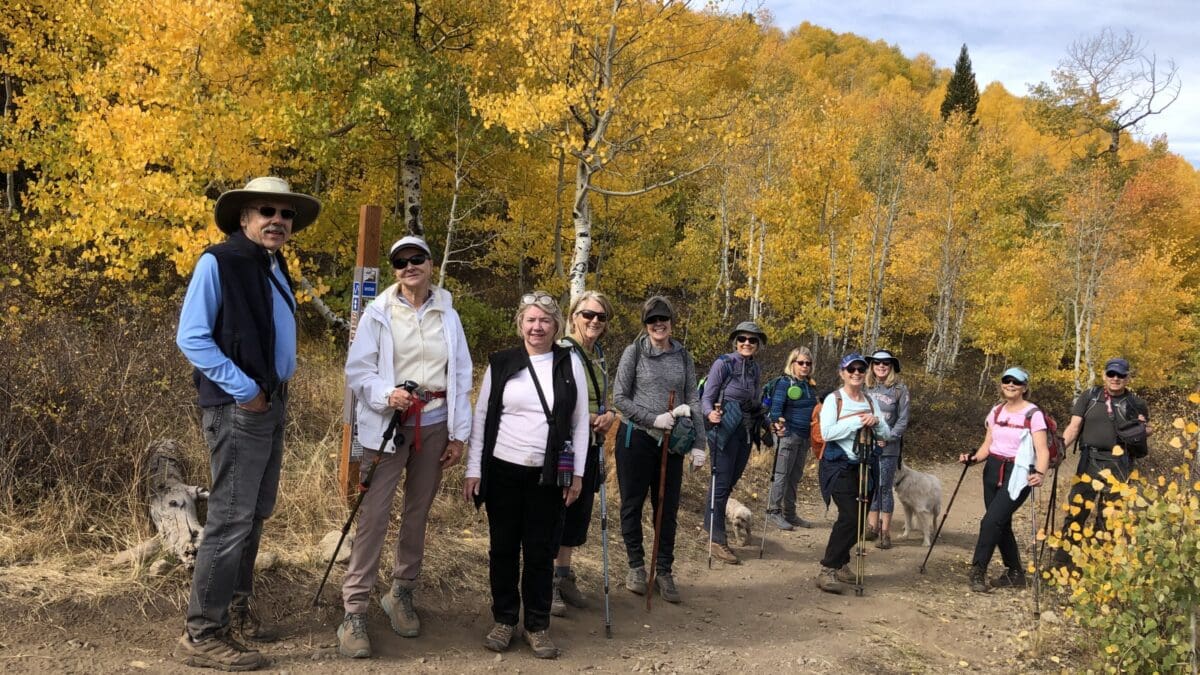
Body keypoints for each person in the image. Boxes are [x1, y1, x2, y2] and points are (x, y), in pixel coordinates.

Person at [174, 177, 321, 671]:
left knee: (253, 513)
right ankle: (202, 633)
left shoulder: (273, 265)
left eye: (286, 213)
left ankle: (235, 613)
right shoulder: (220, 261)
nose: (277, 220)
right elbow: (192, 338)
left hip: (269, 403)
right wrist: (247, 391)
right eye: (266, 210)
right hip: (241, 407)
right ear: (244, 218)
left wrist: (271, 391)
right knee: (230, 519)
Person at [336, 236, 473, 659]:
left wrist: (459, 434)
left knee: (417, 513)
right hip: (387, 425)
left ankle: (401, 592)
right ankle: (354, 608)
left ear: (431, 264)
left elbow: (462, 372)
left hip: (433, 424)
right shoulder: (379, 313)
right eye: (401, 261)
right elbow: (358, 371)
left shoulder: (448, 312)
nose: (409, 266)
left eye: (417, 259)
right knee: (374, 515)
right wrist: (385, 393)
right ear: (394, 269)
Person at [463, 291, 589, 659]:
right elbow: (482, 417)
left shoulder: (569, 365)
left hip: (547, 476)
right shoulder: (502, 363)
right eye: (531, 320)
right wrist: (474, 470)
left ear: (556, 327)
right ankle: (504, 620)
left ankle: (537, 625)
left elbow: (580, 424)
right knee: (502, 549)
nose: (537, 327)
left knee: (540, 551)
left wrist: (577, 474)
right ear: (520, 324)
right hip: (502, 469)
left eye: (545, 321)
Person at [612, 295, 706, 602]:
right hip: (636, 437)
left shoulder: (683, 356)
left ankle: (664, 570)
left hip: (672, 441)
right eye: (652, 320)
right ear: (645, 323)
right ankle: (636, 566)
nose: (658, 324)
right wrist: (654, 418)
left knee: (666, 507)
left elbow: (693, 399)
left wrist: (700, 443)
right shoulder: (634, 352)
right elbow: (620, 398)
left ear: (671, 321)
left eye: (663, 318)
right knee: (632, 503)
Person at [551, 291, 619, 617]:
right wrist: (588, 419)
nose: (593, 321)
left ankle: (564, 574)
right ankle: (548, 580)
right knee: (558, 510)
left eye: (600, 317)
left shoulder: (599, 354)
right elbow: (557, 399)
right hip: (566, 445)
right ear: (574, 316)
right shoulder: (563, 351)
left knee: (578, 513)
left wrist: (609, 415)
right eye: (587, 314)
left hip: (592, 443)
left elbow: (602, 398)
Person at [958, 367, 1050, 592]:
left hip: (1019, 473)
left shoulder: (1033, 414)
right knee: (1000, 522)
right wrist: (974, 458)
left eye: (1016, 382)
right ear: (1001, 384)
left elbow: (1042, 449)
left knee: (990, 522)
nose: (1010, 385)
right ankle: (1015, 572)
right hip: (993, 469)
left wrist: (1039, 473)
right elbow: (988, 444)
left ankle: (978, 571)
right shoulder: (997, 411)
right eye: (1006, 381)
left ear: (1025, 387)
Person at [1057, 357, 1150, 561]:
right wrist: (1059, 451)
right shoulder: (1090, 396)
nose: (1115, 378)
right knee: (1077, 511)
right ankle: (1062, 564)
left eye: (1120, 375)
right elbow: (1074, 427)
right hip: (1089, 459)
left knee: (1109, 517)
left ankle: (1097, 568)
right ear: (1104, 375)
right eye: (1111, 374)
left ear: (1128, 378)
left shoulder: (1136, 403)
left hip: (1120, 464)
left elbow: (1143, 434)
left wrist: (1144, 430)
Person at [814, 353, 892, 594]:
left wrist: (876, 422)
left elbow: (886, 434)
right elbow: (827, 432)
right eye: (851, 369)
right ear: (842, 372)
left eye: (860, 369)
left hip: (865, 467)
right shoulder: (833, 400)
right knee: (850, 516)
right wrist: (857, 422)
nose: (856, 373)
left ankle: (841, 563)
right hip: (838, 466)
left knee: (861, 520)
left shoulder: (870, 401)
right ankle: (827, 568)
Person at [701, 320, 768, 565]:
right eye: (742, 339)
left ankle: (710, 527)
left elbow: (757, 399)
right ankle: (717, 540)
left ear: (758, 344)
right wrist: (710, 413)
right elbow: (707, 396)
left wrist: (769, 422)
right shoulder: (723, 363)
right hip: (724, 429)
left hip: (746, 430)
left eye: (752, 340)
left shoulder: (754, 369)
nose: (747, 343)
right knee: (720, 483)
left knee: (727, 484)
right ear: (735, 342)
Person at [764, 347, 819, 531]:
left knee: (795, 477)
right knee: (781, 475)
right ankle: (773, 511)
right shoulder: (784, 383)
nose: (805, 366)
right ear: (793, 363)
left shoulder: (809, 385)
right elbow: (776, 410)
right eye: (801, 362)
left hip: (804, 437)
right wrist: (778, 427)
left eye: (808, 363)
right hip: (787, 436)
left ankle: (790, 514)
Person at [864, 349, 910, 550]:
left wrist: (888, 437)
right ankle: (872, 527)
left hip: (888, 448)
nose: (881, 366)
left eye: (885, 363)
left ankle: (885, 531)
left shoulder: (900, 389)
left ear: (891, 367)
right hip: (866, 446)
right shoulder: (865, 388)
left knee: (884, 487)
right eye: (877, 363)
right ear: (872, 366)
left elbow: (903, 419)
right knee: (870, 486)